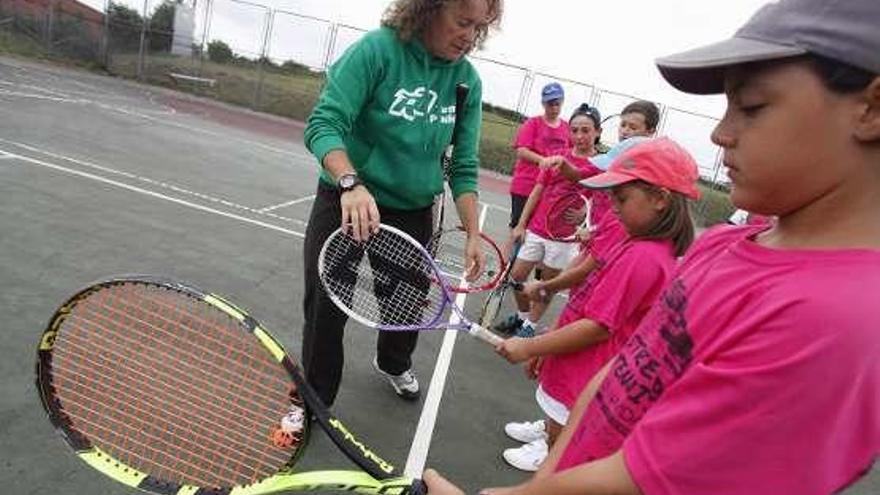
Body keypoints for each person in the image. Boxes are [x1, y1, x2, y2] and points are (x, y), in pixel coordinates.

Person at [424, 0, 880, 492]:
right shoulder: (723, 245)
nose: (720, 132)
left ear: (871, 108)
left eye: (752, 106)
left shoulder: (835, 319)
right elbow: (617, 376)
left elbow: (647, 478)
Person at [300, 0, 503, 406]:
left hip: (411, 211)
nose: (470, 36)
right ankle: (314, 400)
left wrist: (473, 234)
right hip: (347, 200)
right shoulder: (376, 51)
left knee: (404, 305)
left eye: (478, 28)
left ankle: (393, 361)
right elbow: (323, 125)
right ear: (429, 10)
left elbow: (463, 166)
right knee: (326, 308)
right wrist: (350, 183)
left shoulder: (467, 82)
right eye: (463, 22)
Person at [495, 138, 698, 472]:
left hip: (586, 371)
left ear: (660, 199)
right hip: (579, 363)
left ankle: (548, 455)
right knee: (557, 431)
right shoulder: (639, 244)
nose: (612, 205)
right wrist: (548, 348)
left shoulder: (643, 257)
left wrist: (531, 345)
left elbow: (596, 327)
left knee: (560, 453)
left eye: (621, 197)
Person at [494, 104, 603, 338]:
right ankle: (522, 318)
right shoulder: (558, 158)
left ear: (597, 132)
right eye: (574, 131)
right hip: (536, 230)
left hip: (564, 239)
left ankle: (529, 327)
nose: (579, 136)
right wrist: (521, 225)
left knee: (545, 285)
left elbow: (601, 201)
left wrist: (585, 213)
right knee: (517, 276)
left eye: (585, 130)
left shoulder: (601, 166)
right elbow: (537, 191)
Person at [592, 100, 661, 172]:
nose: (624, 131)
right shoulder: (613, 154)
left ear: (650, 132)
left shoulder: (647, 166)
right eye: (623, 125)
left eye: (633, 128)